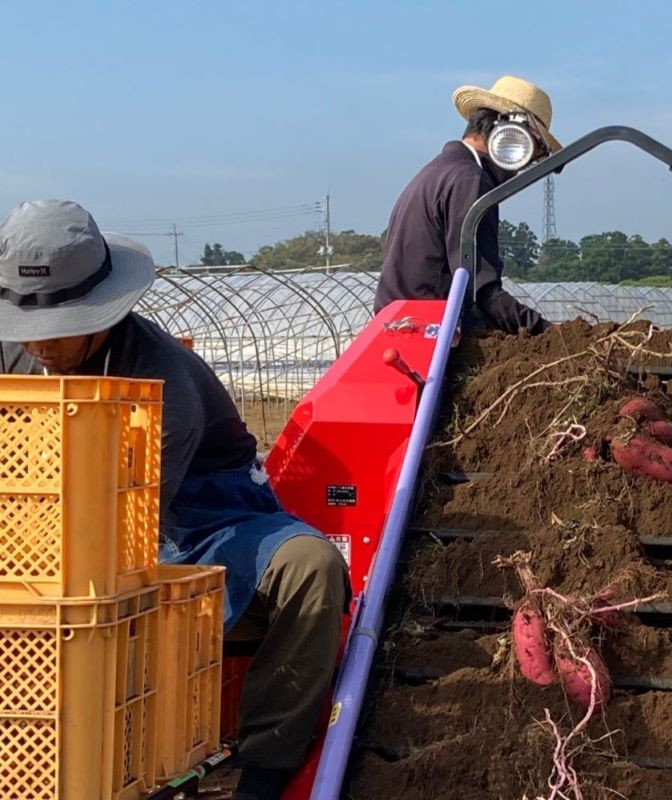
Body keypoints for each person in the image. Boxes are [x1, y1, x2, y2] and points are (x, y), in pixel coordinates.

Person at [0, 199, 351, 800]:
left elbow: (124, 526)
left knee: (312, 569)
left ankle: (266, 766)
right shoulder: (14, 353)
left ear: (105, 312)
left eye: (63, 328)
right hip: (41, 510)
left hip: (198, 517)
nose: (44, 345)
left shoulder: (166, 382)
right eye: (32, 330)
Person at [374, 75, 557, 335]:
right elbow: (482, 293)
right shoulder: (469, 181)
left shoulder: (441, 172)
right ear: (510, 137)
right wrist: (552, 335)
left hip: (406, 328)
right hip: (427, 338)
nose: (523, 166)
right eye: (532, 150)